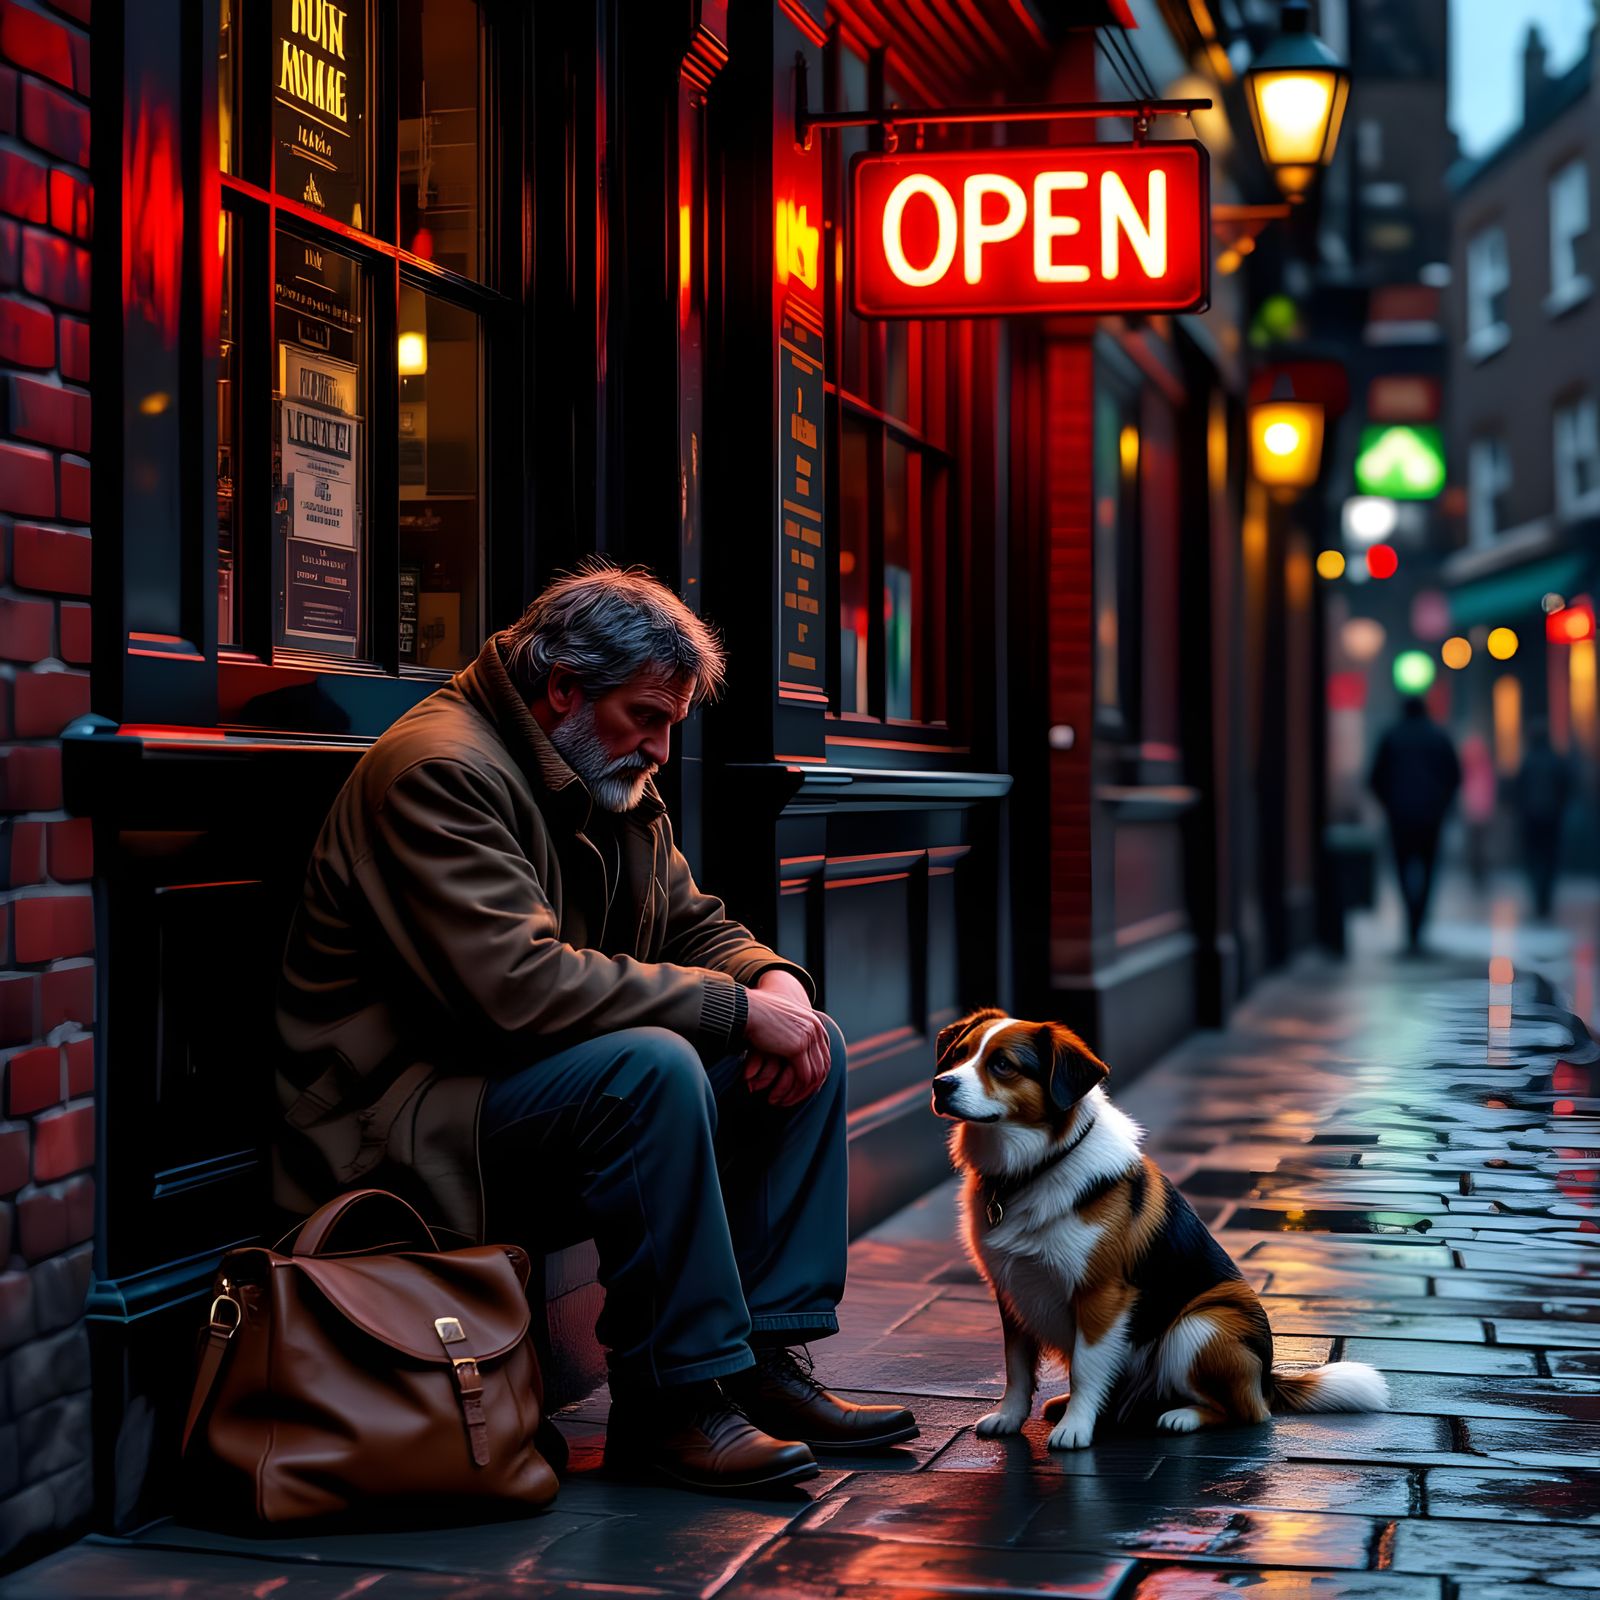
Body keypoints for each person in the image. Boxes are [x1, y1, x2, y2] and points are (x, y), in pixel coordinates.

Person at [274, 561, 917, 1493]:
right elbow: (516, 987)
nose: (660, 748)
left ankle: (756, 1366)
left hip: (508, 1081)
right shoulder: (442, 773)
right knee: (653, 1069)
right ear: (564, 688)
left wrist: (771, 984)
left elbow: (690, 919)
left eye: (671, 725)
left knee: (806, 1037)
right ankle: (670, 1405)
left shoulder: (595, 758)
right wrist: (735, 1009)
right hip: (399, 1115)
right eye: (647, 719)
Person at [1368, 695, 1461, 953]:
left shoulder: (1391, 738)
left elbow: (1374, 778)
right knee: (1429, 870)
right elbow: (1454, 776)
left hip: (1399, 817)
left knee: (1401, 869)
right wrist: (1442, 805)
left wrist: (1389, 804)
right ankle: (1419, 920)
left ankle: (1411, 916)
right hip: (1431, 817)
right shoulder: (1439, 737)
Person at [1513, 719, 1572, 918]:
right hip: (1551, 817)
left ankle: (1539, 895)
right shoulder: (1555, 760)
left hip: (1531, 818)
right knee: (1549, 857)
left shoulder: (1528, 761)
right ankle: (1545, 896)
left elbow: (1518, 790)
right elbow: (1565, 787)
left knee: (1534, 857)